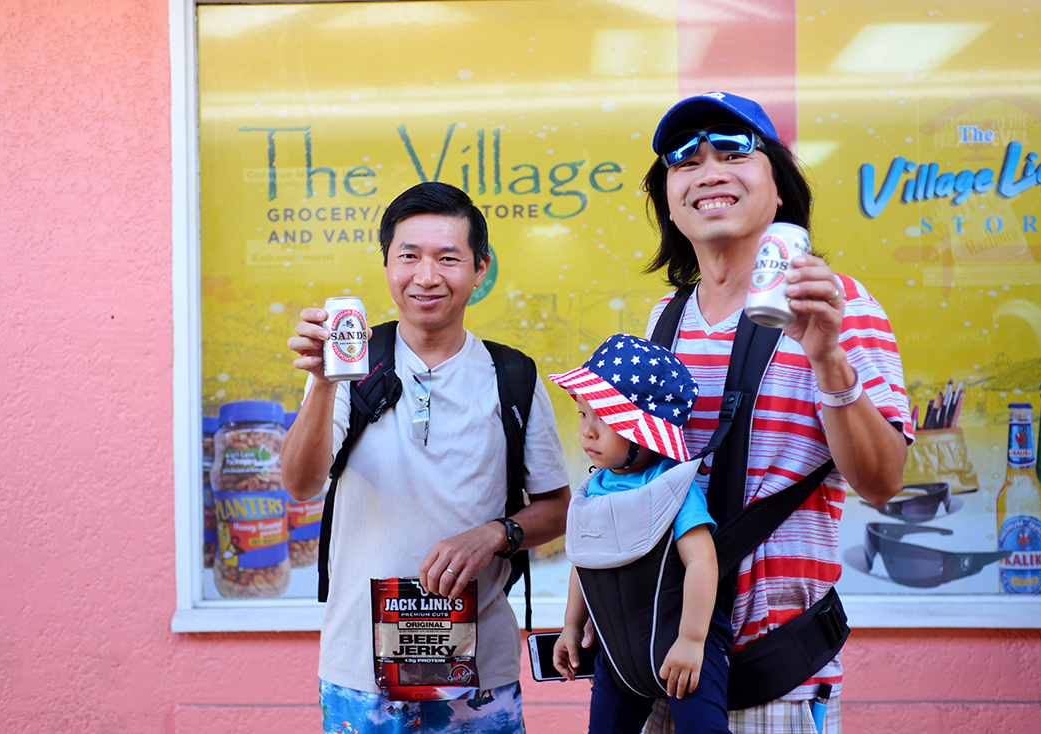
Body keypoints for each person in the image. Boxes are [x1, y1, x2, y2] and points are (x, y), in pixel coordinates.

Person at [639, 92, 914, 733]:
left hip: (777, 682)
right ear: (671, 204)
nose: (708, 171)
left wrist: (829, 362)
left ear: (779, 186)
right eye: (684, 161)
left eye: (735, 150)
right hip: (663, 667)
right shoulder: (664, 319)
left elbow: (883, 483)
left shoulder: (839, 302)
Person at [282, 181, 571, 734]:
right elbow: (298, 484)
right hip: (360, 672)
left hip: (478, 677)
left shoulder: (512, 375)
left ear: (481, 268)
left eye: (448, 258)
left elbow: (558, 508)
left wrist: (493, 534)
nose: (427, 276)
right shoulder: (350, 363)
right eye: (408, 256)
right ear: (387, 264)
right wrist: (322, 383)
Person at [548, 334, 732, 734]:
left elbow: (703, 561)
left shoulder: (672, 488)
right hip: (616, 659)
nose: (588, 432)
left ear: (645, 431)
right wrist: (571, 626)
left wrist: (692, 639)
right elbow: (585, 560)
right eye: (583, 414)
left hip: (681, 654)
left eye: (606, 418)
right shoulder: (592, 490)